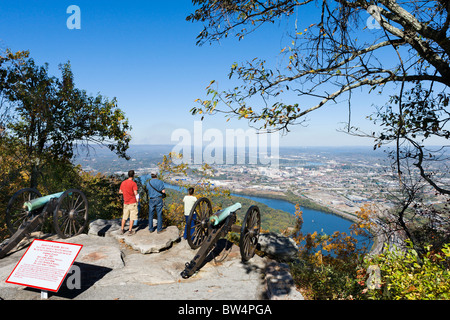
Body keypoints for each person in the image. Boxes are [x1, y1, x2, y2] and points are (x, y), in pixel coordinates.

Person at [119, 170, 138, 235]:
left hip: (126, 202)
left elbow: (120, 191)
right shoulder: (133, 183)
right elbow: (135, 193)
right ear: (133, 175)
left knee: (124, 216)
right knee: (132, 217)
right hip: (132, 202)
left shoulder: (123, 182)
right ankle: (130, 230)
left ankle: (122, 229)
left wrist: (125, 193)